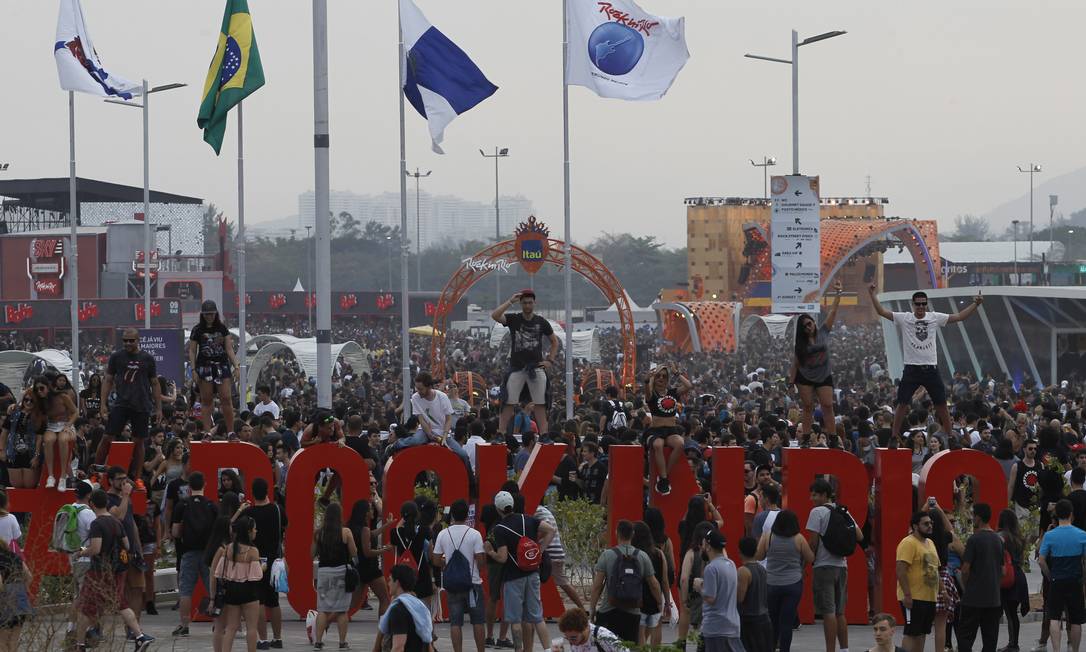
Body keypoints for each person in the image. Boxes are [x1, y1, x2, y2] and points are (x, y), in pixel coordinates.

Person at [869, 285, 982, 440]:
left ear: (927, 304)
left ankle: (950, 437)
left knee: (941, 404)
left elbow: (959, 317)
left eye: (923, 303)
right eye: (918, 304)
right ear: (913, 304)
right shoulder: (905, 317)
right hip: (911, 369)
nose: (921, 306)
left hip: (930, 369)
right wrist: (872, 294)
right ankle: (894, 437)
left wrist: (976, 304)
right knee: (902, 404)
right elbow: (881, 311)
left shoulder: (934, 317)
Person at [73, 489, 155, 652]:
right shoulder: (116, 522)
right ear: (107, 503)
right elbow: (127, 544)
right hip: (117, 570)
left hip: (99, 571)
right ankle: (139, 636)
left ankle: (80, 645)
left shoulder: (97, 524)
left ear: (92, 504)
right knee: (121, 603)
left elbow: (96, 549)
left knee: (85, 607)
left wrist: (81, 551)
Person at [488, 491, 555, 652]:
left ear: (498, 509)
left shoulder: (500, 529)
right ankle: (548, 649)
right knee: (537, 617)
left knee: (515, 620)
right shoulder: (529, 519)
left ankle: (519, 650)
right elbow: (550, 530)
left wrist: (490, 552)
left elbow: (503, 557)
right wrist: (540, 549)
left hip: (513, 577)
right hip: (533, 573)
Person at [97, 328, 162, 479]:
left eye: (131, 340)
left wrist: (158, 408)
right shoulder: (116, 357)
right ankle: (97, 471)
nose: (127, 343)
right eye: (125, 340)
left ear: (138, 340)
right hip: (121, 403)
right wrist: (103, 404)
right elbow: (108, 380)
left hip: (141, 405)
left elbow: (155, 383)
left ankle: (137, 478)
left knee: (138, 443)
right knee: (107, 437)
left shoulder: (147, 358)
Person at [806, 478, 862, 652]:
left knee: (828, 612)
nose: (812, 498)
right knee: (840, 612)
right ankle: (844, 649)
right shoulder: (842, 510)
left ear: (823, 495)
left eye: (814, 494)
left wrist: (807, 562)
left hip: (823, 566)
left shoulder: (817, 512)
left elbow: (813, 543)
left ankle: (830, 650)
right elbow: (859, 535)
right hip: (842, 566)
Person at [491, 290, 558, 435]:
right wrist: (510, 301)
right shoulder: (514, 319)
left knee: (540, 403)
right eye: (525, 303)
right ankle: (501, 433)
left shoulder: (541, 322)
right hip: (517, 368)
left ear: (534, 303)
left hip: (536, 367)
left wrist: (550, 360)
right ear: (521, 304)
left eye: (530, 302)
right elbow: (495, 315)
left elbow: (554, 342)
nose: (527, 305)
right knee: (508, 401)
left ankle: (544, 434)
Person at [588, 519, 662, 644]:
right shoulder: (642, 556)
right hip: (632, 613)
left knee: (607, 646)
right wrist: (660, 603)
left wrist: (592, 608)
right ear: (633, 534)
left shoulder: (607, 555)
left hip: (609, 610)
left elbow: (597, 586)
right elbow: (654, 584)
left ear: (617, 533)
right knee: (630, 647)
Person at [431, 499, 486, 652]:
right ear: (467, 515)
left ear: (452, 515)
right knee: (478, 621)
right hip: (473, 583)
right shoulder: (475, 534)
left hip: (452, 584)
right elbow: (481, 562)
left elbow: (435, 560)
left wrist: (447, 564)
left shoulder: (443, 534)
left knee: (456, 622)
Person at [790, 279, 843, 436]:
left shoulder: (824, 332)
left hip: (824, 375)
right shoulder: (800, 344)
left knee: (827, 405)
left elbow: (833, 311)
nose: (809, 326)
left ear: (814, 322)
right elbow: (796, 364)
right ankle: (806, 438)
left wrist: (838, 293)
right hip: (805, 377)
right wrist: (790, 383)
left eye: (810, 323)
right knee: (807, 408)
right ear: (802, 329)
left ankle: (833, 438)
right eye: (805, 326)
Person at [756, 509, 813, 652]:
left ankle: (771, 647)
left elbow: (759, 556)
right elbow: (810, 558)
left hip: (771, 584)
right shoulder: (799, 538)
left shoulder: (768, 536)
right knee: (786, 623)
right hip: (793, 585)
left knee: (773, 621)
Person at [171, 471, 217, 638]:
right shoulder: (212, 506)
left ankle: (184, 625)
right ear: (205, 484)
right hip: (209, 554)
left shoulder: (182, 506)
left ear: (189, 486)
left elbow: (175, 532)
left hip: (188, 552)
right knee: (212, 589)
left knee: (186, 591)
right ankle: (217, 623)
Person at [392, 372, 470, 468]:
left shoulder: (442, 397)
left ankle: (471, 481)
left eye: (420, 389)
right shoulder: (415, 398)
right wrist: (429, 433)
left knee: (463, 454)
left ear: (429, 387)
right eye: (416, 388)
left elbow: (448, 419)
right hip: (425, 431)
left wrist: (444, 437)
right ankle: (396, 445)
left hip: (443, 433)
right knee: (416, 441)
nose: (418, 391)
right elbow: (421, 418)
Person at [209, 516, 264, 652]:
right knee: (251, 628)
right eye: (254, 529)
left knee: (231, 627)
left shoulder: (228, 548)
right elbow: (256, 576)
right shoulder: (252, 551)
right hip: (249, 591)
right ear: (249, 531)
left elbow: (219, 571)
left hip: (232, 590)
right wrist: (263, 567)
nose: (256, 531)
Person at [1037, 499, 1086, 652]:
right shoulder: (1082, 535)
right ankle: (1075, 649)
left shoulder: (1050, 535)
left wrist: (1050, 575)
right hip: (1075, 580)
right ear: (1071, 514)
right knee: (1076, 620)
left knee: (1054, 618)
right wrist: (1083, 576)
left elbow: (1041, 560)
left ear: (1056, 515)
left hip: (1057, 580)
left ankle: (1056, 650)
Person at [957, 503, 1005, 652]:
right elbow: (1002, 570)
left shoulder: (974, 540)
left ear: (978, 517)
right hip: (993, 599)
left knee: (965, 637)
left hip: (973, 598)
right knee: (990, 639)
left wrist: (966, 586)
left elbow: (965, 569)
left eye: (973, 515)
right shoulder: (998, 540)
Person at [311, 502, 358, 650]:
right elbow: (354, 552)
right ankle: (342, 642)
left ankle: (318, 642)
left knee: (323, 609)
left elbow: (311, 554)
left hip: (324, 573)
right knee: (342, 610)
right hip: (341, 573)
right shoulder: (346, 532)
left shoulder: (319, 533)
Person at [246, 478, 285, 650]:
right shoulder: (277, 510)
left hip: (255, 560)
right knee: (274, 601)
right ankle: (278, 638)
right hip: (274, 560)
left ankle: (263, 639)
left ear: (253, 492)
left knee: (259, 601)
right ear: (268, 490)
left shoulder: (249, 513)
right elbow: (286, 527)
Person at [189, 300, 239, 433]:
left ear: (215, 314)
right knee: (206, 400)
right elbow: (192, 350)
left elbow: (229, 349)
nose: (209, 316)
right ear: (202, 315)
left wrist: (236, 366)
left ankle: (231, 432)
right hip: (204, 366)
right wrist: (193, 370)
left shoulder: (222, 328)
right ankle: (207, 433)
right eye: (206, 314)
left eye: (211, 314)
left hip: (222, 365)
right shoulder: (197, 329)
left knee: (226, 399)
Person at [643, 365, 693, 496]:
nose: (661, 378)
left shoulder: (673, 393)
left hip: (671, 430)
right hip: (656, 430)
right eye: (658, 375)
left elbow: (688, 386)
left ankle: (664, 478)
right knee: (658, 445)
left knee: (680, 444)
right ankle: (664, 478)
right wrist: (647, 381)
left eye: (664, 376)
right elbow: (647, 393)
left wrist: (677, 373)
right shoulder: (652, 394)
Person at [895, 511, 940, 652]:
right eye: (926, 524)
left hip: (930, 597)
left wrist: (943, 591)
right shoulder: (908, 543)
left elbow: (935, 569)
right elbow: (901, 570)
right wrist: (907, 595)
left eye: (931, 523)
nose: (930, 526)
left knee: (922, 633)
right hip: (914, 597)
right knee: (911, 633)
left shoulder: (931, 543)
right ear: (915, 526)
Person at [698, 529, 744, 652]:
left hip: (715, 628)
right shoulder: (731, 564)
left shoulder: (711, 568)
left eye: (703, 544)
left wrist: (699, 587)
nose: (702, 547)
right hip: (733, 626)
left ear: (708, 547)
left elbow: (710, 597)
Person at [348, 499, 392, 618]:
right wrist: (385, 550)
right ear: (365, 512)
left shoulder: (354, 528)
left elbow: (371, 535)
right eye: (370, 508)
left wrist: (386, 525)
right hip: (370, 569)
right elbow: (368, 552)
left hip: (359, 568)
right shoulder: (364, 529)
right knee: (384, 599)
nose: (373, 510)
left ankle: (325, 620)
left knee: (353, 603)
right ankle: (383, 629)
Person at [376, 565, 436, 652]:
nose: (388, 583)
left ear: (397, 582)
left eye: (390, 580)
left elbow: (398, 647)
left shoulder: (398, 610)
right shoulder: (421, 607)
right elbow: (428, 644)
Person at [631, 521, 667, 645]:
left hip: (639, 598)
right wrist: (665, 601)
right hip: (655, 597)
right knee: (656, 627)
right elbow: (664, 580)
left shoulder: (634, 554)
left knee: (640, 632)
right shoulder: (658, 553)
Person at [997, 508, 1027, 652]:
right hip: (1018, 575)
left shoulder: (1000, 536)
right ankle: (1013, 643)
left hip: (1007, 575)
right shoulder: (1019, 538)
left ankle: (1012, 644)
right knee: (1012, 612)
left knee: (1007, 612)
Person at [42, 373, 78, 490]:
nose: (40, 390)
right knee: (48, 440)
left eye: (43, 387)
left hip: (65, 424)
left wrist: (69, 425)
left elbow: (75, 412)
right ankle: (51, 476)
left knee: (63, 440)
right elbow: (25, 403)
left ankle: (63, 476)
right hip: (51, 426)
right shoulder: (42, 399)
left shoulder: (63, 396)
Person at [737, 536, 772, 652]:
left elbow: (740, 598)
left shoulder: (743, 571)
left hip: (749, 620)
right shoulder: (762, 570)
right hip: (764, 618)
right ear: (756, 550)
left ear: (740, 552)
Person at [0, 391, 42, 489]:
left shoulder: (39, 416)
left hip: (30, 454)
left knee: (29, 485)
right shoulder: (13, 413)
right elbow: (4, 433)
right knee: (16, 485)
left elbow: (40, 438)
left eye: (32, 401)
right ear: (22, 401)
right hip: (13, 454)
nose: (28, 402)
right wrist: (1, 450)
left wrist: (36, 456)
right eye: (26, 400)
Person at [0, 536, 32, 652]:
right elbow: (29, 576)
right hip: (20, 597)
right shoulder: (15, 557)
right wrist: (22, 590)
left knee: (2, 641)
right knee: (13, 640)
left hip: (6, 600)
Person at [551, 607, 628, 652]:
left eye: (573, 638)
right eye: (567, 638)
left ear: (584, 629)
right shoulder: (575, 641)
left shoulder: (603, 636)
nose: (571, 642)